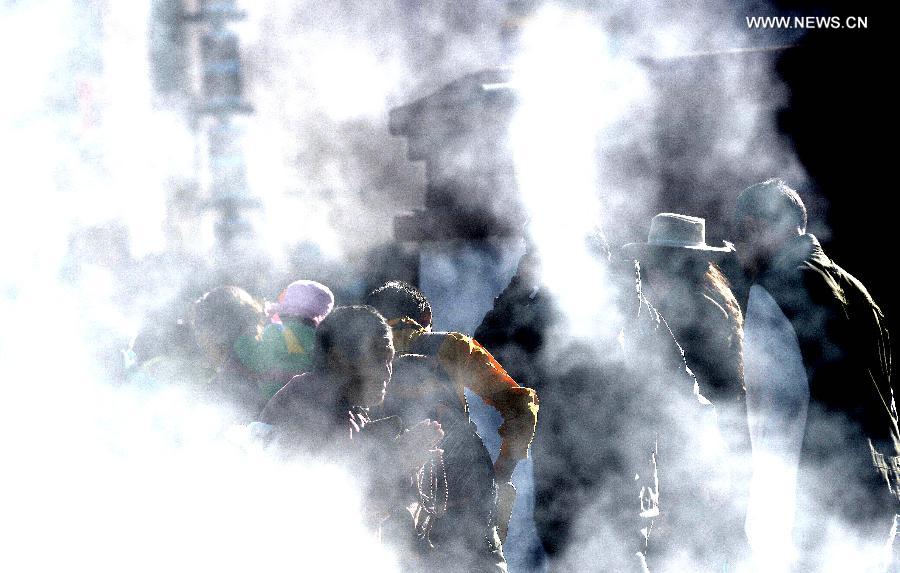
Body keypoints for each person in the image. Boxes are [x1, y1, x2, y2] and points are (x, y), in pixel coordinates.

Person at [475, 232, 725, 572]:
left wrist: (519, 286)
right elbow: (684, 396)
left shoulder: (547, 315)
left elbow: (484, 355)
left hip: (571, 484)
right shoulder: (634, 309)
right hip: (623, 482)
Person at [733, 178, 900, 571]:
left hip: (821, 495)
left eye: (741, 235)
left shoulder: (773, 291)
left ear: (757, 226)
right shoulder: (856, 290)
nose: (739, 250)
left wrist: (765, 517)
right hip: (880, 481)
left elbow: (779, 412)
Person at [365, 281, 538, 573]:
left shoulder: (355, 358)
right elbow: (522, 407)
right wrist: (502, 471)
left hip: (392, 489)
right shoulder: (452, 347)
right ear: (426, 319)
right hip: (464, 481)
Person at [623, 213, 752, 563]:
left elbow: (691, 394)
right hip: (705, 449)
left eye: (666, 262)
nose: (655, 271)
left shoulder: (696, 314)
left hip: (697, 451)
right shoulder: (708, 304)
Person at [259, 305, 444, 542]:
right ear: (338, 357)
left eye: (390, 359)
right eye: (378, 357)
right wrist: (400, 458)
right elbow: (331, 509)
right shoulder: (312, 405)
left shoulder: (348, 409)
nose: (387, 371)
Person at [234, 279, 335, 399]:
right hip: (305, 401)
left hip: (270, 400)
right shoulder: (321, 339)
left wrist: (242, 340)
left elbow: (256, 360)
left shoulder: (275, 331)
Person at [190, 285, 270, 419]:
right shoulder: (275, 359)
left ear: (214, 332)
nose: (198, 339)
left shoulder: (219, 391)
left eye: (199, 329)